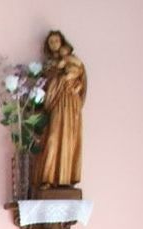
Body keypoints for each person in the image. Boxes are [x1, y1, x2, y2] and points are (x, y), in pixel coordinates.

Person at [33, 31, 86, 190]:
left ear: (62, 42)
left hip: (70, 103)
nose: (54, 44)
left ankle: (65, 178)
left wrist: (72, 80)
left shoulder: (73, 60)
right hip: (55, 103)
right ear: (48, 46)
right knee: (53, 137)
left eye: (56, 40)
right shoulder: (49, 65)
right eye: (51, 42)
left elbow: (81, 79)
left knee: (68, 137)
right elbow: (46, 84)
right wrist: (59, 77)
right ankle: (47, 178)